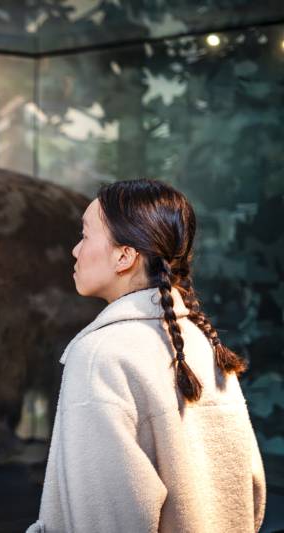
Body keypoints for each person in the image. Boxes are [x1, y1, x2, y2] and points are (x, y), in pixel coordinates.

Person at [27, 179, 266, 532]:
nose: (75, 250)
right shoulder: (203, 343)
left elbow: (109, 518)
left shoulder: (100, 355)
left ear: (124, 256)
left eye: (85, 235)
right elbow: (250, 491)